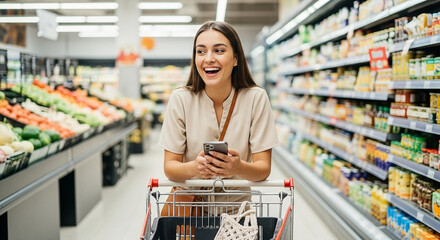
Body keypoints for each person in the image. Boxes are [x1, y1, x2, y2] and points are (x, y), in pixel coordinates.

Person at [158, 21, 279, 206]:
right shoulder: (181, 99)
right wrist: (194, 168)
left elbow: (263, 169)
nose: (208, 59)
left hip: (237, 216)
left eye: (219, 50)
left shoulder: (256, 98)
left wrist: (238, 167)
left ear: (236, 58)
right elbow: (170, 167)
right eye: (201, 51)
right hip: (190, 211)